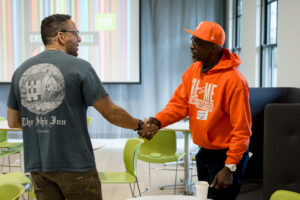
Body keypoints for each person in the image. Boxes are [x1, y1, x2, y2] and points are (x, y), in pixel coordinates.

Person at [7, 14, 155, 200]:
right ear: (61, 36)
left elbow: (13, 121)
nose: (79, 39)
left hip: (38, 166)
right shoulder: (80, 67)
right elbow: (110, 112)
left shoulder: (20, 71)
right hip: (75, 166)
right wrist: (140, 125)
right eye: (75, 33)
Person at [140, 21, 252, 200]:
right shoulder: (193, 71)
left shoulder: (234, 81)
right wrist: (158, 121)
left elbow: (242, 130)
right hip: (205, 152)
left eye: (198, 43)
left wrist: (230, 167)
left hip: (227, 156)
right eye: (192, 40)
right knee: (203, 198)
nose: (192, 46)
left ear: (214, 48)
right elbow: (178, 105)